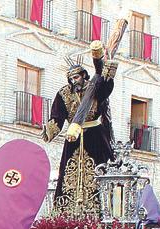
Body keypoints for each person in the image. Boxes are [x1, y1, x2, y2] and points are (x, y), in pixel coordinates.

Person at [43, 41, 117, 219]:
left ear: (83, 76)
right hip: (73, 138)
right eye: (71, 78)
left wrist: (108, 73)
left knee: (99, 170)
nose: (73, 81)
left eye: (76, 77)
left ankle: (100, 211)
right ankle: (66, 213)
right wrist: (50, 130)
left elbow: (106, 88)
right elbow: (58, 115)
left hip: (95, 135)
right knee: (69, 172)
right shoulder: (64, 93)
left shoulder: (95, 87)